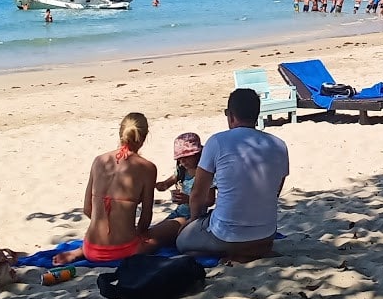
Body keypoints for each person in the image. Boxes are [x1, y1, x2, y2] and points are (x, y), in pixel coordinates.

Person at [176, 89, 290, 262]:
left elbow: (198, 194)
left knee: (182, 241)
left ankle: (229, 253)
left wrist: (193, 220)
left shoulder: (217, 141)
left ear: (230, 115)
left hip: (227, 236)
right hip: (265, 236)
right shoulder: (279, 145)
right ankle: (244, 252)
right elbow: (275, 192)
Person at [53, 113, 158, 265]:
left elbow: (87, 209)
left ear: (120, 133)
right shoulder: (147, 168)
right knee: (174, 226)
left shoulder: (99, 161)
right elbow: (145, 219)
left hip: (91, 248)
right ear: (144, 137)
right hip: (125, 250)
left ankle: (80, 251)